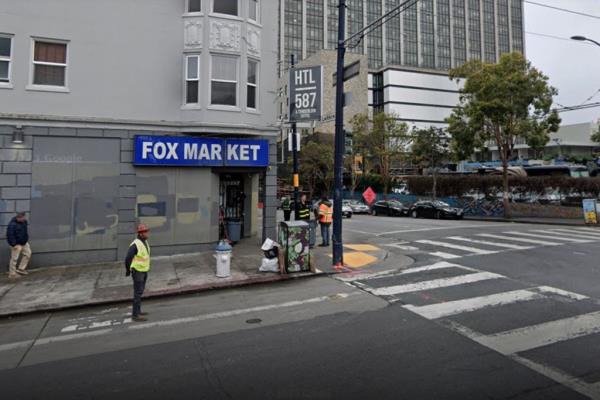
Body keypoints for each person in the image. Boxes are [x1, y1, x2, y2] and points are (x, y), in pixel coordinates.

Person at [125, 224, 151, 322]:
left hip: (144, 271)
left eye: (147, 231)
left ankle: (138, 311)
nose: (147, 233)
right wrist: (128, 270)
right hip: (138, 272)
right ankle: (135, 315)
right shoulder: (135, 244)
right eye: (145, 232)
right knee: (137, 293)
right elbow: (128, 258)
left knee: (140, 292)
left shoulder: (144, 242)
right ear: (140, 234)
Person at [6, 212, 31, 279]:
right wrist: (14, 244)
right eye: (22, 218)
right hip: (16, 244)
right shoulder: (12, 224)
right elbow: (10, 235)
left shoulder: (24, 222)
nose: (24, 219)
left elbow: (24, 232)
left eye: (24, 217)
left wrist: (26, 239)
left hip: (24, 242)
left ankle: (21, 269)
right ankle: (12, 274)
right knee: (14, 259)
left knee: (28, 254)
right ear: (18, 218)